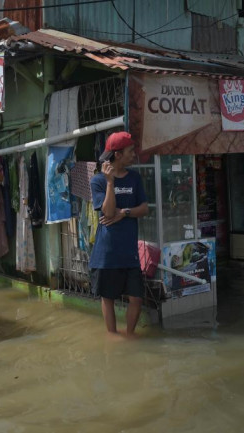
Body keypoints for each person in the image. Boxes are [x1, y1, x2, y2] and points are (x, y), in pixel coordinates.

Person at [89, 131, 148, 337]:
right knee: (108, 298)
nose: (134, 154)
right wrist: (110, 183)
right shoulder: (97, 181)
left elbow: (144, 208)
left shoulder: (134, 178)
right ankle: (113, 337)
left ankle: (130, 336)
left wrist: (125, 213)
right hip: (107, 254)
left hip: (129, 253)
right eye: (131, 150)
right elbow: (106, 212)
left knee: (137, 299)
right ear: (118, 154)